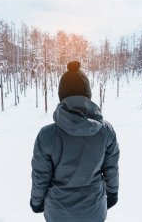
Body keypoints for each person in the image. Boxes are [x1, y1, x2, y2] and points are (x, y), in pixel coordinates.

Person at [30, 61, 120, 222]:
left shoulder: (46, 135)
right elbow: (111, 167)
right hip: (94, 210)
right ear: (88, 95)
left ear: (61, 95)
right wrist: (112, 193)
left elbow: (40, 176)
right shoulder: (106, 131)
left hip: (58, 212)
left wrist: (37, 202)